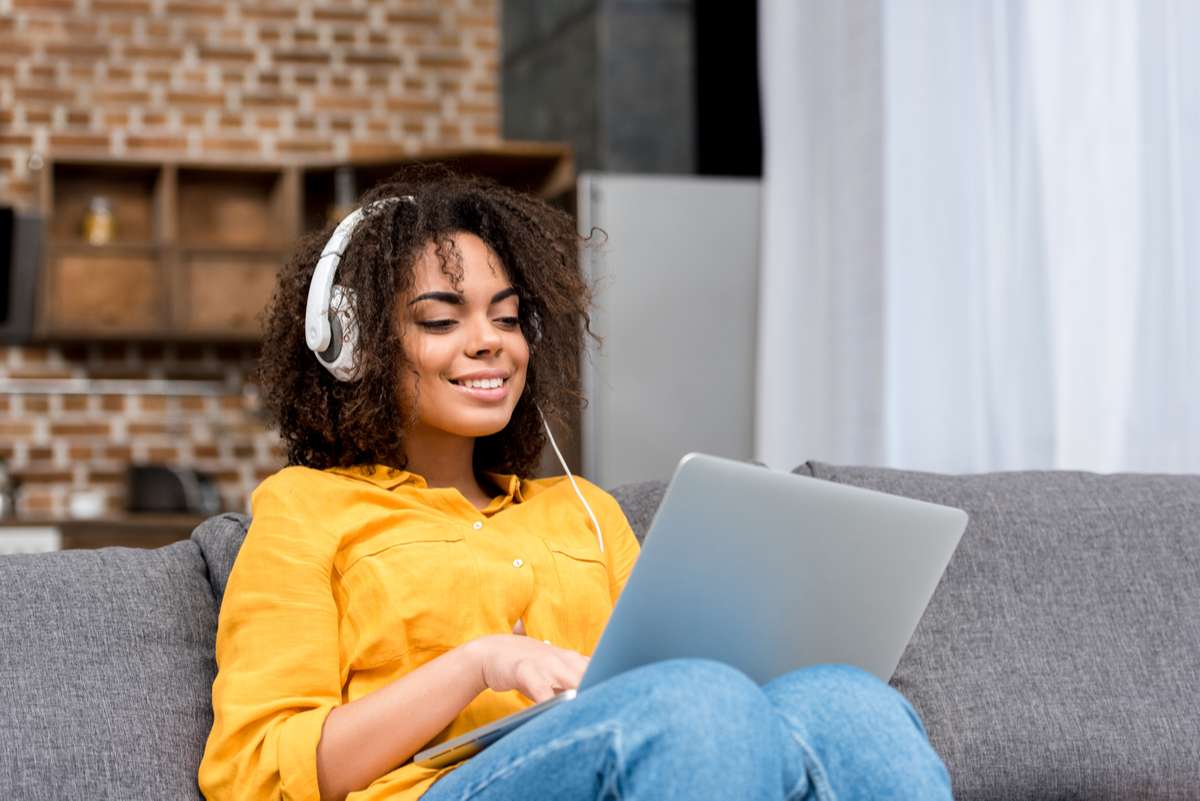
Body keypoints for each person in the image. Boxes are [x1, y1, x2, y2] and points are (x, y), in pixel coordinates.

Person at [198, 166, 952, 801]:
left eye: (508, 316)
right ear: (354, 345)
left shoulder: (586, 512)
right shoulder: (305, 510)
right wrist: (478, 663)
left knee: (851, 703)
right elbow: (255, 771)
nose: (489, 339)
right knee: (696, 703)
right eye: (441, 319)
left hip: (639, 754)